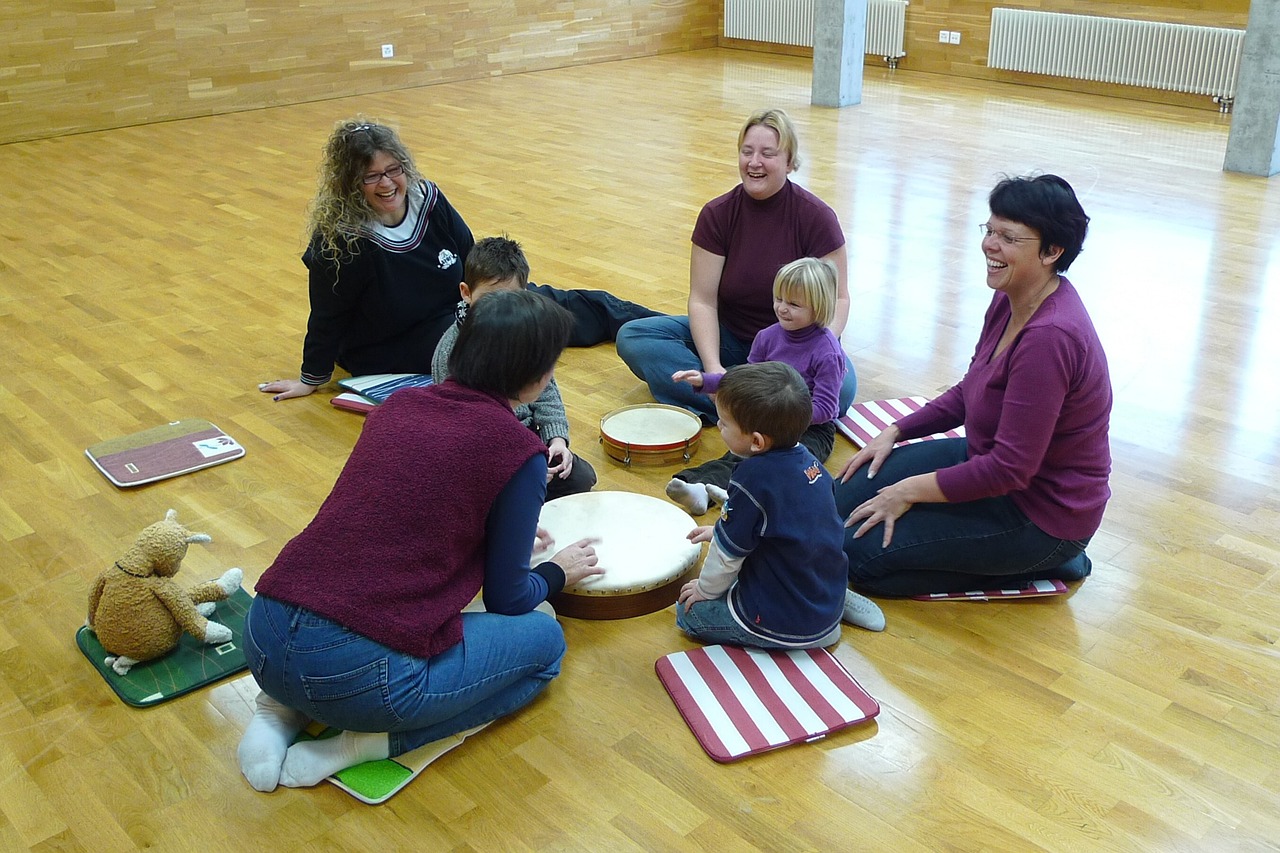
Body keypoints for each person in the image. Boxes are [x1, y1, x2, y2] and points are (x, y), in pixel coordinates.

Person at [236, 290, 604, 793]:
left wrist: (498, 527)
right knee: (547, 645)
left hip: (261, 634)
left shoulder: (399, 405)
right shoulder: (519, 448)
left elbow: (400, 508)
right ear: (539, 378)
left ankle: (275, 716)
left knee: (328, 624)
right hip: (362, 677)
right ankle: (366, 744)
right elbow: (508, 598)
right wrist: (557, 570)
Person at [835, 174, 1111, 597]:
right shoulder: (1010, 295)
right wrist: (896, 430)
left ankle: (1052, 558)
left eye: (1009, 237)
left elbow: (1010, 469)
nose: (990, 245)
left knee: (859, 556)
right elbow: (972, 390)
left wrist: (908, 491)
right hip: (988, 463)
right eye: (990, 230)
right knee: (841, 497)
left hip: (1041, 513)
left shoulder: (1050, 338)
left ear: (1051, 252)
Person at [258, 117, 660, 402]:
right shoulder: (341, 239)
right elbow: (328, 315)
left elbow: (470, 253)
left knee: (551, 303)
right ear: (349, 185)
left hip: (463, 301)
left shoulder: (427, 198)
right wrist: (312, 377)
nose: (386, 183)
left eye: (393, 169)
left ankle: (669, 327)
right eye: (370, 176)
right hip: (393, 341)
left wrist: (502, 295)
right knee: (483, 347)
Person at [615, 108, 857, 423]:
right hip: (733, 339)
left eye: (767, 154)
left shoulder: (816, 217)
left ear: (789, 161)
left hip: (797, 346)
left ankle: (735, 405)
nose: (754, 162)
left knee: (844, 389)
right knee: (634, 337)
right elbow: (702, 300)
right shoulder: (717, 214)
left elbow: (838, 298)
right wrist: (713, 365)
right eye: (747, 152)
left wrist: (819, 347)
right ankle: (758, 406)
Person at [675, 362, 886, 648]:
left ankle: (801, 628)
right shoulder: (812, 465)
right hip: (823, 593)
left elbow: (726, 557)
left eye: (724, 423)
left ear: (757, 441)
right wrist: (721, 529)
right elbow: (794, 526)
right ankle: (829, 603)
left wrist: (704, 590)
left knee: (689, 614)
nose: (720, 426)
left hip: (785, 624)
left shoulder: (752, 479)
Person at [665, 257, 845, 516]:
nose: (782, 308)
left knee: (788, 466)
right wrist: (706, 380)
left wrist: (783, 417)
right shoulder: (767, 337)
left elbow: (827, 408)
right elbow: (748, 380)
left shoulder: (828, 352)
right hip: (767, 420)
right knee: (742, 452)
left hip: (810, 429)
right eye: (778, 299)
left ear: (818, 308)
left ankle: (735, 496)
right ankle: (701, 488)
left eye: (793, 304)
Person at [432, 236, 596, 500]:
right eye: (490, 299)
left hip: (526, 439)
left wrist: (557, 441)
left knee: (580, 477)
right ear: (466, 292)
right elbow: (463, 431)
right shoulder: (451, 351)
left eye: (512, 299)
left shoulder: (526, 332)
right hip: (481, 454)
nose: (502, 310)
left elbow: (547, 392)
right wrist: (517, 466)